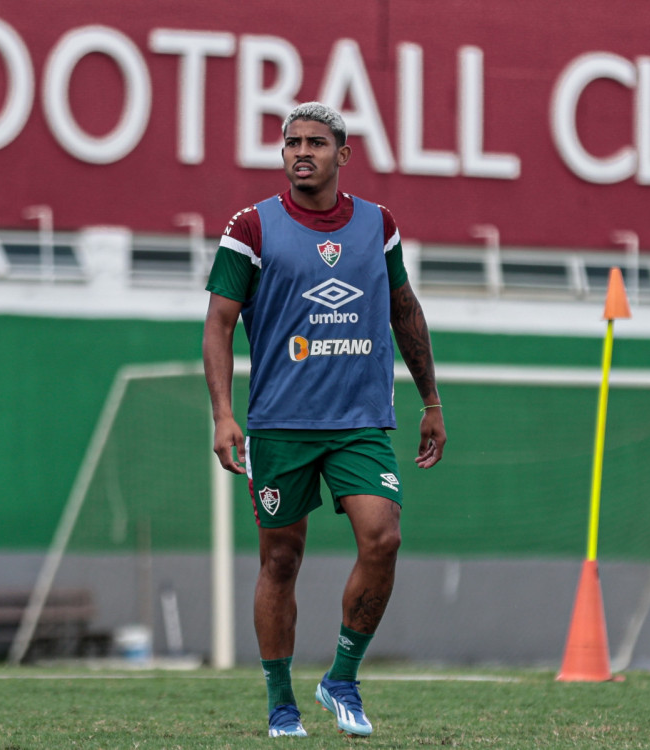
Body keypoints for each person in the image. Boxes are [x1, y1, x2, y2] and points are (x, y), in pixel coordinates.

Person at [202, 101, 446, 738]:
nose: (300, 151)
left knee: (383, 537)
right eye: (291, 142)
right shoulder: (250, 228)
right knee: (281, 560)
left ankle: (342, 677)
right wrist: (225, 415)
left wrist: (431, 401)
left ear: (343, 153)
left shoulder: (377, 225)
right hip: (281, 424)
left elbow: (404, 310)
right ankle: (282, 703)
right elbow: (219, 325)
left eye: (315, 142)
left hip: (360, 422)